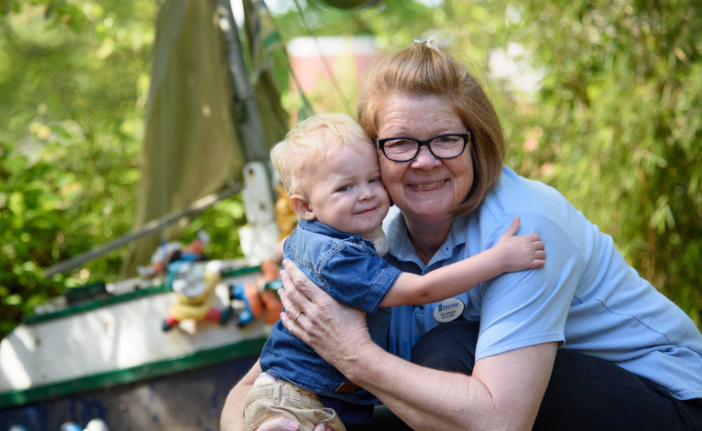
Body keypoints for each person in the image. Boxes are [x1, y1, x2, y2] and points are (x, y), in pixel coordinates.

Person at [222, 41, 702, 431]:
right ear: (375, 156)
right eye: (401, 143)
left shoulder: (524, 228)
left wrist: (352, 354)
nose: (424, 160)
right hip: (504, 406)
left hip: (670, 406)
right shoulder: (369, 239)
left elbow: (500, 421)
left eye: (447, 139)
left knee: (444, 351)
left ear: (479, 142)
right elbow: (250, 391)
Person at [243, 113, 546, 431]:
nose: (366, 194)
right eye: (345, 187)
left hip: (312, 397)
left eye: (373, 179)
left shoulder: (312, 235)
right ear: (305, 208)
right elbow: (423, 289)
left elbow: (281, 251)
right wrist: (498, 259)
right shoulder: (342, 259)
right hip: (296, 396)